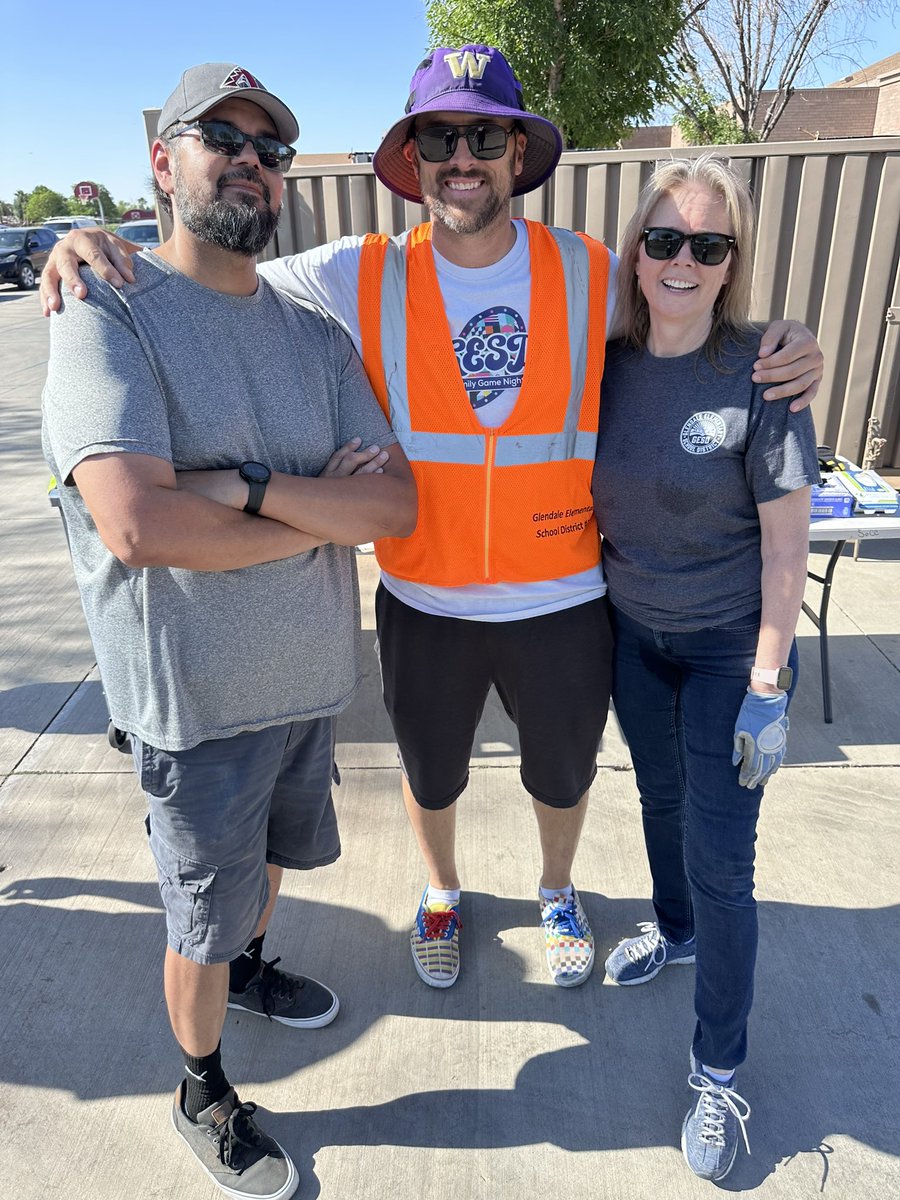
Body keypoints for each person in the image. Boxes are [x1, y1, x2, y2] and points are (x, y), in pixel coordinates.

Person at [40, 45, 823, 997]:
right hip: (425, 593)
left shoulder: (585, 268)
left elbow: (689, 304)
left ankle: (557, 888)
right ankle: (443, 890)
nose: (464, 154)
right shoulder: (348, 274)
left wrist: (781, 340)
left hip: (563, 598)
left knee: (564, 778)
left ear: (515, 156)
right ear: (413, 159)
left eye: (485, 135)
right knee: (433, 775)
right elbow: (210, 266)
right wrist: (85, 248)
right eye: (442, 135)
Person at [42, 62, 416, 1200]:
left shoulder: (312, 332)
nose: (248, 157)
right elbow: (141, 524)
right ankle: (199, 1082)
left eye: (269, 146)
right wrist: (316, 516)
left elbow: (393, 507)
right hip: (195, 706)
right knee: (200, 915)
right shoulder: (105, 311)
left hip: (306, 684)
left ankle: (251, 968)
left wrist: (246, 487)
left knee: (261, 883)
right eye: (220, 135)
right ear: (164, 162)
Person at [592, 154, 818, 1181]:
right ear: (637, 252)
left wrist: (770, 686)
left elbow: (785, 550)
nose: (683, 259)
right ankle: (670, 931)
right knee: (658, 798)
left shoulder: (764, 373)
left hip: (734, 649)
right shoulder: (601, 359)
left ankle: (719, 1068)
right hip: (636, 638)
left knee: (726, 865)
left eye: (709, 244)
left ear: (734, 264)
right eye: (665, 238)